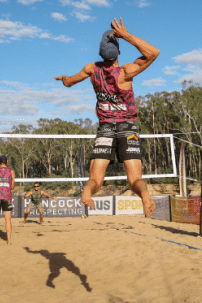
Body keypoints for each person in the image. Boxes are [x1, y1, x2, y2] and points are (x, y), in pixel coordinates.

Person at [54, 18, 160, 217]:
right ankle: (144, 195)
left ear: (100, 53)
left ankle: (87, 191)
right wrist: (126, 36)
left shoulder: (92, 69)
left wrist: (63, 79)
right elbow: (153, 53)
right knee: (135, 179)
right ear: (119, 52)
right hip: (128, 127)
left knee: (95, 179)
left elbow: (69, 83)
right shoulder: (127, 72)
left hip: (106, 128)